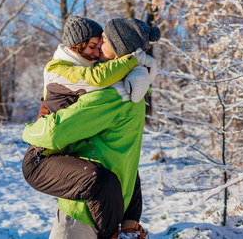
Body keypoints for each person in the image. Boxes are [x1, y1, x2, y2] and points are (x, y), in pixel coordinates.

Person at [22, 17, 159, 238]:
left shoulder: (113, 93)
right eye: (93, 44)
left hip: (83, 213)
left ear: (117, 48)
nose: (96, 51)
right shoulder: (136, 90)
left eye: (102, 40)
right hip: (110, 200)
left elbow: (54, 132)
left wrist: (29, 130)